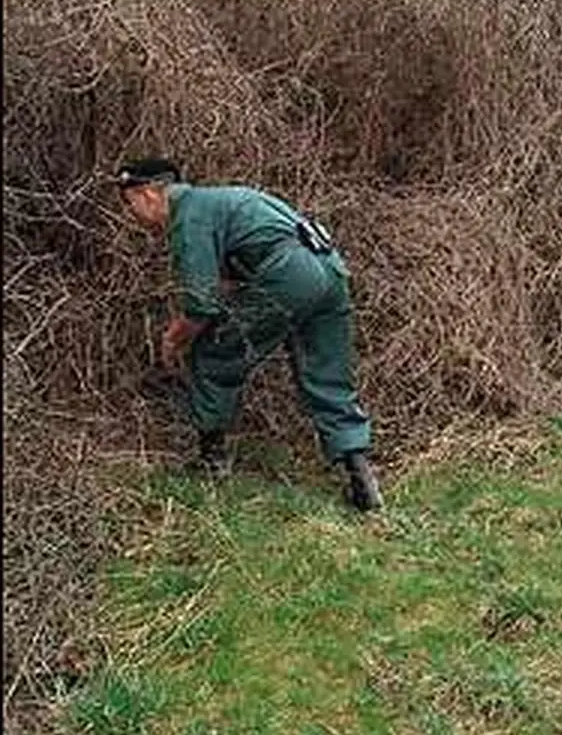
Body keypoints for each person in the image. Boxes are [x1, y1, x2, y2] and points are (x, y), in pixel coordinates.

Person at [116, 158, 384, 512]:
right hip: (329, 268)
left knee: (211, 352)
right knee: (325, 369)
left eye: (129, 203)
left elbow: (201, 303)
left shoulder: (189, 215)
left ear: (148, 193)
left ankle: (212, 462)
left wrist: (174, 338)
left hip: (290, 273)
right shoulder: (219, 200)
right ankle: (358, 471)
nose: (130, 214)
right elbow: (227, 282)